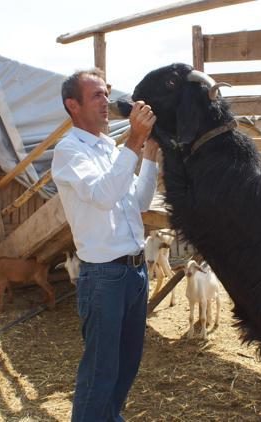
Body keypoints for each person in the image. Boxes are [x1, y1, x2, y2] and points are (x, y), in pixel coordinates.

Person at [51, 68, 159, 422]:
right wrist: (132, 142)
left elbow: (139, 203)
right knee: (100, 372)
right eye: (96, 95)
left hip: (134, 272)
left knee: (127, 365)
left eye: (106, 93)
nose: (106, 102)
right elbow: (102, 196)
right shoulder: (69, 151)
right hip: (104, 277)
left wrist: (150, 156)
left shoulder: (109, 149)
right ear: (73, 105)